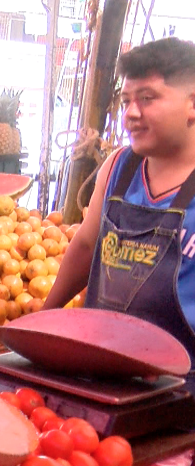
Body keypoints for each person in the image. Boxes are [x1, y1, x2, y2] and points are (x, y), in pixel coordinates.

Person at [43, 37, 195, 393]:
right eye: (126, 101)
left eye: (147, 98)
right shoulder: (119, 168)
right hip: (100, 371)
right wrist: (43, 318)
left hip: (180, 391)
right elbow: (85, 245)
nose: (131, 113)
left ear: (192, 103)